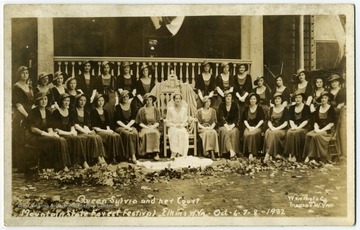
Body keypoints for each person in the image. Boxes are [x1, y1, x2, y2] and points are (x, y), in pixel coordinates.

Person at [26, 92, 71, 172]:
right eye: (41, 99)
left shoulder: (48, 112)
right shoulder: (34, 111)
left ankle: (64, 165)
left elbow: (49, 126)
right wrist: (47, 135)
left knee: (61, 139)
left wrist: (52, 133)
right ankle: (58, 166)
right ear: (37, 101)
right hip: (34, 136)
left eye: (45, 99)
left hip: (43, 135)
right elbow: (33, 129)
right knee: (55, 140)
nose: (44, 101)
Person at [51, 93, 89, 168]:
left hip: (68, 133)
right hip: (60, 134)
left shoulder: (70, 112)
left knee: (77, 138)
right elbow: (55, 129)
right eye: (64, 101)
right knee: (69, 140)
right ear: (61, 101)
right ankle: (66, 165)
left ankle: (81, 162)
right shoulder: (56, 112)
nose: (66, 103)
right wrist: (69, 133)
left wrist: (73, 131)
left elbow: (72, 125)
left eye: (68, 101)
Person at [70, 94, 107, 165]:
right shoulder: (73, 111)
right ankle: (97, 158)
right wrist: (87, 132)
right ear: (77, 101)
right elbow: (76, 125)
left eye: (84, 100)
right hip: (77, 131)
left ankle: (102, 157)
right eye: (81, 100)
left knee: (97, 136)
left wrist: (89, 131)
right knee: (92, 137)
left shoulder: (86, 112)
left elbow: (86, 125)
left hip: (84, 130)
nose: (82, 102)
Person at [303, 91, 336, 163]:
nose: (323, 99)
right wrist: (316, 129)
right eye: (322, 98)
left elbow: (331, 124)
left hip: (328, 130)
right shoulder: (318, 108)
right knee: (308, 135)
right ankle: (308, 155)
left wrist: (320, 131)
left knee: (316, 136)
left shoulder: (331, 109)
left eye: (325, 98)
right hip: (319, 129)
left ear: (328, 99)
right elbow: (316, 121)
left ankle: (312, 157)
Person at [91, 94, 124, 164]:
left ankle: (116, 157)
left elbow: (107, 124)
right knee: (111, 136)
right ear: (96, 101)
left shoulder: (105, 111)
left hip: (105, 131)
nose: (101, 102)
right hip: (98, 131)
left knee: (117, 135)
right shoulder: (93, 112)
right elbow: (94, 127)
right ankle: (110, 158)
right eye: (99, 100)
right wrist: (107, 131)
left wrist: (109, 130)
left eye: (102, 100)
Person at [12, 66, 34, 170]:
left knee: (28, 139)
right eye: (23, 73)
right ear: (19, 74)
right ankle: (20, 165)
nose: (25, 75)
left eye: (27, 73)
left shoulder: (29, 86)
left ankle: (29, 163)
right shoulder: (16, 87)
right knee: (20, 139)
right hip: (20, 116)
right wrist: (27, 116)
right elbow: (17, 104)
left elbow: (32, 103)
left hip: (29, 115)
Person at [284, 91, 311, 162]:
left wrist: (298, 128)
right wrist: (293, 126)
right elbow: (290, 119)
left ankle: (297, 155)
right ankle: (291, 154)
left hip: (303, 127)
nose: (298, 99)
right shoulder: (292, 108)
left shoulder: (306, 107)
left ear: (302, 98)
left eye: (299, 97)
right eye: (296, 97)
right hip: (294, 126)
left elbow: (306, 120)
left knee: (296, 133)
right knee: (289, 132)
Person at [114, 90, 139, 164]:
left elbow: (133, 119)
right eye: (123, 97)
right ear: (121, 98)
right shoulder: (118, 107)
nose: (125, 98)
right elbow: (117, 120)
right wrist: (125, 127)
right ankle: (132, 155)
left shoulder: (132, 106)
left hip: (130, 125)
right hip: (120, 126)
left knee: (135, 133)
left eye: (127, 96)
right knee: (127, 134)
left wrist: (128, 126)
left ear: (129, 97)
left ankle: (133, 154)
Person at [263, 93, 289, 162]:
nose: (277, 100)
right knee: (268, 132)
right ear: (273, 100)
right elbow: (268, 121)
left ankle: (268, 154)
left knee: (274, 133)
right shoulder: (271, 109)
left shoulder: (285, 109)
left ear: (281, 100)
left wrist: (276, 129)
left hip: (282, 129)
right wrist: (272, 128)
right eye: (275, 99)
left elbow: (286, 123)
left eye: (279, 98)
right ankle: (271, 153)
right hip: (273, 127)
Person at [135, 93, 161, 160]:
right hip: (144, 127)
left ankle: (155, 153)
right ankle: (146, 153)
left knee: (155, 133)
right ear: (145, 101)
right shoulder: (141, 110)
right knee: (145, 133)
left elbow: (158, 121)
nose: (149, 101)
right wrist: (146, 127)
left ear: (152, 101)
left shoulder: (156, 110)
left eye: (150, 100)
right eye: (147, 100)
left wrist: (153, 127)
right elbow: (139, 122)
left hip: (153, 126)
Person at [165, 91, 190, 159]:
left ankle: (181, 154)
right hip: (173, 127)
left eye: (179, 98)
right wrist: (175, 125)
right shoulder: (170, 109)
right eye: (176, 98)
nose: (177, 100)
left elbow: (185, 121)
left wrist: (181, 125)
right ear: (174, 100)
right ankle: (174, 153)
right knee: (176, 132)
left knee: (183, 132)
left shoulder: (184, 109)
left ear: (181, 100)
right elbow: (167, 122)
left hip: (181, 126)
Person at [217, 90, 240, 159]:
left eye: (230, 96)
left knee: (234, 132)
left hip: (233, 125)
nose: (228, 98)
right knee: (224, 131)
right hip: (223, 125)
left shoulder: (235, 105)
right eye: (226, 96)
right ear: (224, 97)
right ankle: (230, 151)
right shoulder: (221, 105)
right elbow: (220, 117)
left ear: (232, 97)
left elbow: (237, 118)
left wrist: (232, 125)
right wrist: (226, 125)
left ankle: (234, 151)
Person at [243, 93, 265, 160]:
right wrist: (249, 127)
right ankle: (248, 152)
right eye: (251, 99)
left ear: (256, 100)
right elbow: (244, 120)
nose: (252, 100)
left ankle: (253, 153)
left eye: (254, 99)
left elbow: (262, 120)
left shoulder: (259, 109)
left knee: (253, 134)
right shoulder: (246, 108)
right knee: (246, 134)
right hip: (249, 127)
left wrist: (255, 128)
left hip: (257, 127)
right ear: (249, 100)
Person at [196, 96, 219, 160]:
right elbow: (197, 123)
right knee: (207, 133)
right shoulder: (199, 111)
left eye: (210, 101)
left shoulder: (213, 111)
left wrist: (211, 127)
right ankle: (208, 152)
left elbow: (214, 121)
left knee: (213, 132)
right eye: (207, 102)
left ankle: (213, 151)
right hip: (202, 128)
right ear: (204, 103)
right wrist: (204, 127)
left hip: (210, 128)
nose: (209, 103)